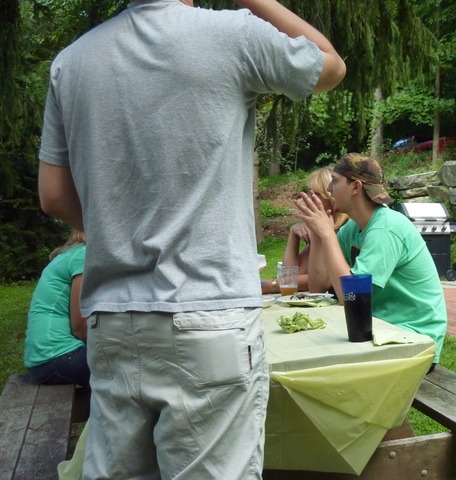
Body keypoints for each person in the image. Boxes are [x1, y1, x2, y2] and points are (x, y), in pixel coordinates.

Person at [37, 0, 345, 478]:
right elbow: (329, 66)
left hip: (113, 320)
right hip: (209, 314)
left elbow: (54, 196)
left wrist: (121, 231)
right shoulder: (233, 33)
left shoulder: (71, 62)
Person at [294, 153, 447, 368]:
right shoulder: (353, 228)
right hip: (379, 330)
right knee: (306, 348)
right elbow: (317, 287)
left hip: (413, 340)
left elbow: (350, 298)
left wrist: (328, 234)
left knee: (318, 366)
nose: (329, 189)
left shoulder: (386, 228)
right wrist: (319, 234)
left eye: (335, 182)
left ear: (356, 187)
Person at [261, 167, 349, 294]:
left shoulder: (344, 230)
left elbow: (326, 278)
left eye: (316, 194)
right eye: (309, 192)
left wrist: (272, 285)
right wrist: (293, 234)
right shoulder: (321, 231)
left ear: (332, 196)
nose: (309, 199)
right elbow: (291, 274)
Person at [23, 229, 90, 389]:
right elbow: (80, 329)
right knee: (130, 368)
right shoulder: (83, 255)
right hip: (57, 357)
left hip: (43, 357)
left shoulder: (70, 254)